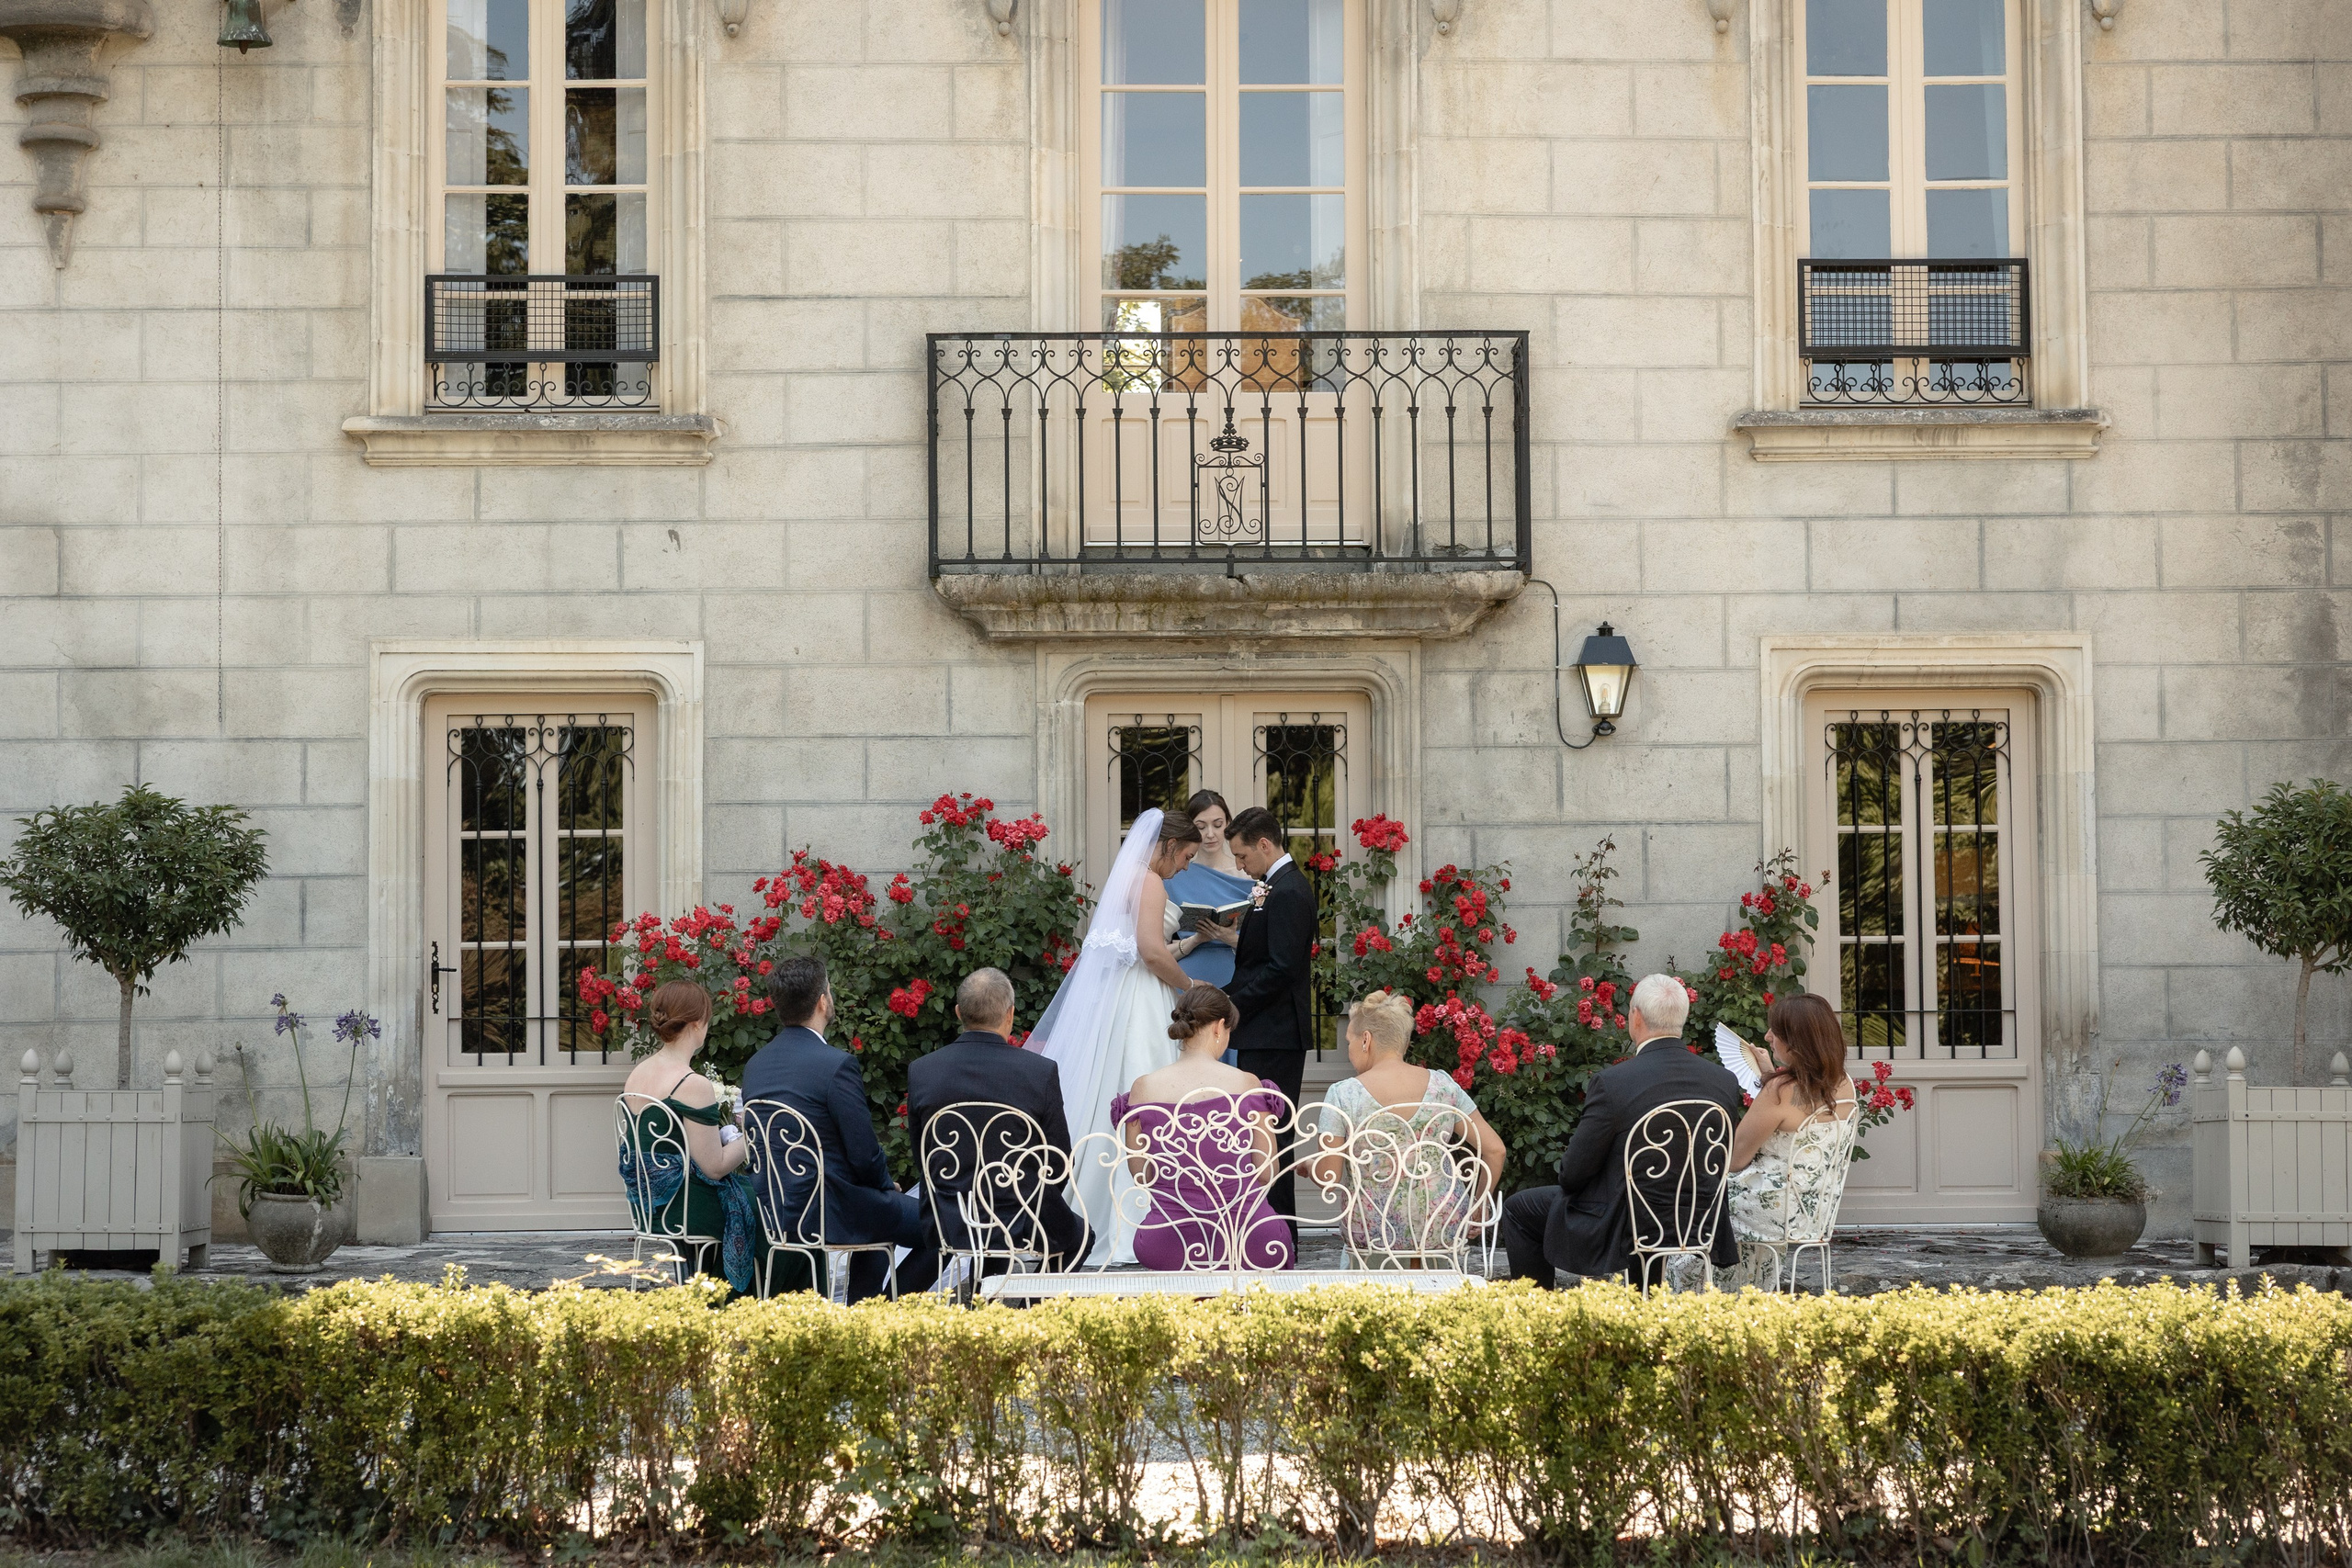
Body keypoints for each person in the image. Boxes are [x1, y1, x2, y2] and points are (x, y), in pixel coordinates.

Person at [1024, 807, 1204, 1261]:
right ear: (1167, 845)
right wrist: (1192, 986)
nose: (1185, 866)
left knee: (1121, 1089)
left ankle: (1096, 1214)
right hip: (1142, 997)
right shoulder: (1150, 880)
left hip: (1125, 995)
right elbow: (1150, 951)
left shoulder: (1131, 879)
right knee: (1144, 1095)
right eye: (1184, 855)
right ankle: (1131, 1223)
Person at [1498, 974, 1743, 1289]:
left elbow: (1572, 1174)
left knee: (1519, 1209)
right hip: (1698, 1219)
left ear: (1635, 1017)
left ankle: (1537, 1317)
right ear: (1682, 1017)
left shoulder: (1614, 1083)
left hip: (1627, 1224)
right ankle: (1646, 1301)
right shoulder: (1723, 1081)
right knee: (1635, 1200)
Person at [740, 953, 939, 1302]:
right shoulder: (836, 1064)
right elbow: (862, 1153)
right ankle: (879, 1312)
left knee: (877, 1209)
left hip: (778, 1208)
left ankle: (863, 1309)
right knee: (944, 1226)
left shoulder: (757, 1065)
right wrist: (884, 1185)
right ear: (822, 1001)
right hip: (831, 1210)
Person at [907, 967, 1092, 1276]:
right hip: (1023, 1217)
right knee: (1080, 1237)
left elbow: (922, 1154)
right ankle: (1030, 1312)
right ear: (1010, 1014)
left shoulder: (924, 1070)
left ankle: (989, 1303)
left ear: (957, 1013)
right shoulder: (1038, 1071)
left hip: (949, 1217)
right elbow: (1058, 1162)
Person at [1312, 989, 1506, 1267]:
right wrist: (1478, 1205)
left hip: (1374, 1230)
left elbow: (1329, 1176)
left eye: (1349, 1042)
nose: (1350, 1050)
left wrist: (1310, 1167)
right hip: (1442, 1225)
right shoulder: (1443, 1086)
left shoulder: (1344, 1094)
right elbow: (1495, 1150)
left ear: (1366, 1040)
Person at [1111, 984, 1295, 1271]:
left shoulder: (1143, 1088)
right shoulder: (1247, 1085)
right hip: (1249, 1239)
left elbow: (1142, 1175)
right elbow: (1266, 1170)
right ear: (1220, 1027)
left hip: (1170, 1241)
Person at [617, 980, 761, 1292]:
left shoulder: (637, 1073)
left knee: (752, 1196)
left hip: (650, 1205)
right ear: (697, 1023)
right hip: (683, 1207)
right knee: (768, 1205)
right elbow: (714, 1167)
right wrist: (753, 1133)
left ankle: (706, 1294)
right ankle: (746, 1309)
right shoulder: (691, 1083)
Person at [1715, 992, 1860, 1291]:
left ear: (1796, 1042)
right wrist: (1769, 1070)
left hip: (1767, 1211)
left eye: (1776, 1032)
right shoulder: (1843, 1083)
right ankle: (1754, 1292)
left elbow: (1734, 1159)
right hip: (1812, 1210)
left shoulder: (1779, 1090)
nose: (1768, 1036)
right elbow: (1797, 1111)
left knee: (1694, 1202)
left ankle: (1702, 1297)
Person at [1224, 805, 1316, 1224]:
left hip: (1276, 1034)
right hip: (1264, 1032)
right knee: (1257, 1137)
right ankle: (1262, 1229)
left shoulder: (1290, 890)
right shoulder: (1271, 885)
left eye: (1242, 856)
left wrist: (1230, 1003)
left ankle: (1280, 1234)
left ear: (1264, 844)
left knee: (1273, 1139)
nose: (1240, 866)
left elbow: (1282, 968)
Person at [1165, 789, 1253, 989]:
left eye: (1218, 825)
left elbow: (1267, 950)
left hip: (1238, 977)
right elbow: (1155, 950)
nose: (1210, 834)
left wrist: (1231, 939)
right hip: (1189, 980)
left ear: (1228, 824)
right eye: (1201, 827)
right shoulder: (1173, 877)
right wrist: (1195, 940)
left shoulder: (1248, 875)